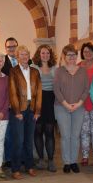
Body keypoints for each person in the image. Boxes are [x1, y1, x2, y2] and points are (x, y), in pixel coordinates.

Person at [54, 44, 89, 173]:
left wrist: (79, 103)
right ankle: (66, 162)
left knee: (75, 136)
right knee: (65, 136)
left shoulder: (82, 70)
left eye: (74, 55)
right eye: (69, 55)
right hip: (61, 107)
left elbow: (86, 89)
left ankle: (74, 161)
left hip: (79, 107)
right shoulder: (59, 71)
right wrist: (66, 104)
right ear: (64, 56)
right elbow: (56, 90)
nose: (71, 57)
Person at [9, 45, 42, 179]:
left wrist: (37, 110)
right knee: (18, 140)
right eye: (21, 54)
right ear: (17, 57)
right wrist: (17, 111)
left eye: (26, 54)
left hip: (31, 109)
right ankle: (15, 168)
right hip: (19, 110)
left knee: (29, 140)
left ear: (29, 56)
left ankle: (29, 166)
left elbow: (39, 91)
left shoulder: (35, 71)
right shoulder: (13, 71)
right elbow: (12, 92)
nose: (24, 57)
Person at [31, 44, 57, 172]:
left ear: (50, 55)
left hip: (50, 102)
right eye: (43, 53)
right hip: (37, 101)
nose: (45, 55)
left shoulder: (54, 68)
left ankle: (51, 160)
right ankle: (41, 159)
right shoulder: (33, 67)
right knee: (38, 131)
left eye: (47, 53)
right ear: (39, 54)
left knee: (50, 131)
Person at [78, 42, 93, 167]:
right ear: (82, 53)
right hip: (81, 104)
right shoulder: (78, 66)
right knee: (84, 131)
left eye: (90, 51)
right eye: (85, 51)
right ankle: (85, 156)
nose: (87, 53)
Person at [1, 37, 18, 168]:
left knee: (19, 132)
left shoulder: (25, 61)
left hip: (22, 102)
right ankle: (8, 158)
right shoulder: (2, 62)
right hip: (6, 102)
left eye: (13, 46)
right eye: (9, 47)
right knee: (7, 133)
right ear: (5, 48)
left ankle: (19, 157)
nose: (11, 49)